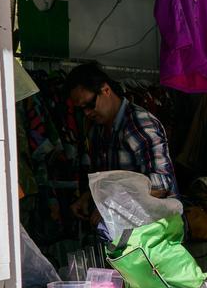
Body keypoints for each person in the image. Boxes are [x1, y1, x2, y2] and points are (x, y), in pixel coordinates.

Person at [67, 63, 177, 222]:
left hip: (153, 231)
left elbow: (162, 183)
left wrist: (114, 202)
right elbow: (106, 180)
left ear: (105, 90)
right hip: (121, 232)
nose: (87, 113)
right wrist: (88, 196)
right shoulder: (97, 130)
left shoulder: (140, 124)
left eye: (90, 105)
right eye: (81, 109)